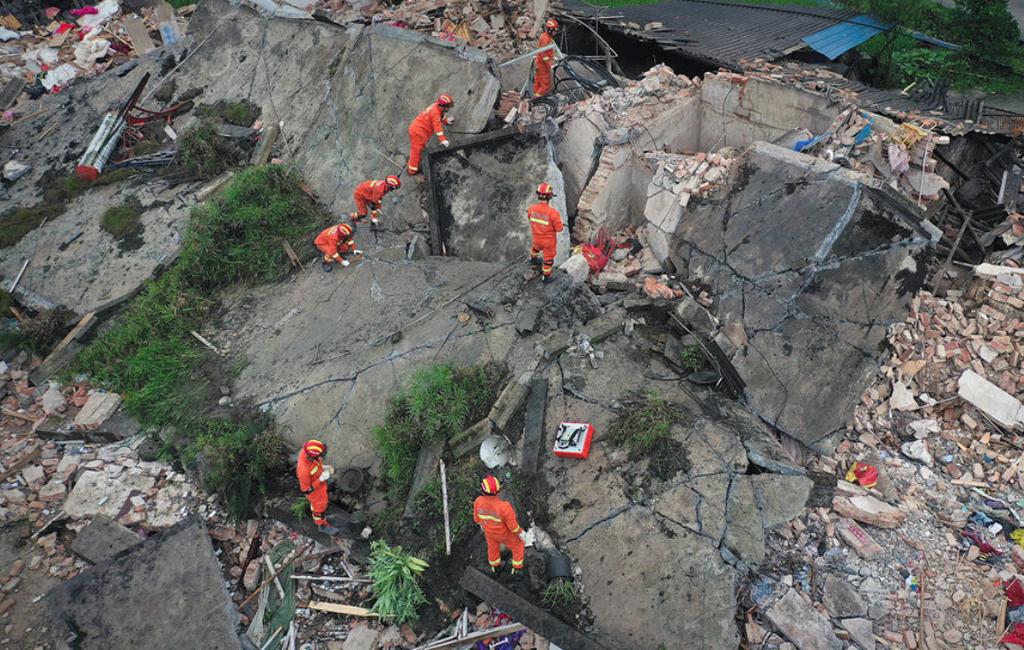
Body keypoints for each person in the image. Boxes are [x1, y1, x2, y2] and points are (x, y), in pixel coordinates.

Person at [473, 475, 526, 574]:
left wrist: (482, 524)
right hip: (504, 534)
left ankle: (495, 567)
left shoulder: (478, 501)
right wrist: (520, 532)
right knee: (518, 546)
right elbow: (513, 527)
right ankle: (517, 568)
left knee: (493, 549)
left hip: (489, 533)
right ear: (498, 491)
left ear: (482, 491)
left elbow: (476, 519)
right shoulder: (504, 507)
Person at [296, 439, 339, 535]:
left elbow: (315, 464)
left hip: (321, 488)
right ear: (313, 455)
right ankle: (321, 525)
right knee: (318, 510)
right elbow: (306, 490)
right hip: (315, 494)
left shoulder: (308, 452)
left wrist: (322, 467)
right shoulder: (303, 470)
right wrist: (321, 479)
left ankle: (323, 518)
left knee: (323, 506)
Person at [407, 94, 454, 176]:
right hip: (418, 132)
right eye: (448, 106)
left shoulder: (437, 108)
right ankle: (412, 171)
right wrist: (443, 140)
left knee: (419, 149)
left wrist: (446, 121)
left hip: (420, 131)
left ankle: (414, 167)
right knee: (416, 151)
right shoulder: (435, 112)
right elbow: (437, 127)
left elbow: (439, 118)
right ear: (443, 105)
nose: (449, 108)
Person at [527, 182, 564, 283]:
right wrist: (559, 223)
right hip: (548, 242)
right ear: (550, 197)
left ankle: (533, 260)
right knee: (548, 259)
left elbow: (530, 218)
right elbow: (559, 229)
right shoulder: (553, 213)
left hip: (536, 238)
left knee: (535, 248)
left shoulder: (532, 209)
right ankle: (546, 277)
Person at [533, 19, 559, 97]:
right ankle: (536, 99)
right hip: (543, 66)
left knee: (538, 83)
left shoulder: (545, 36)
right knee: (545, 85)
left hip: (539, 64)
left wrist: (553, 57)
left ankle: (535, 96)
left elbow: (547, 51)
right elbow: (543, 54)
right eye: (555, 30)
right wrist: (550, 65)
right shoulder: (546, 39)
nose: (556, 32)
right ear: (550, 30)